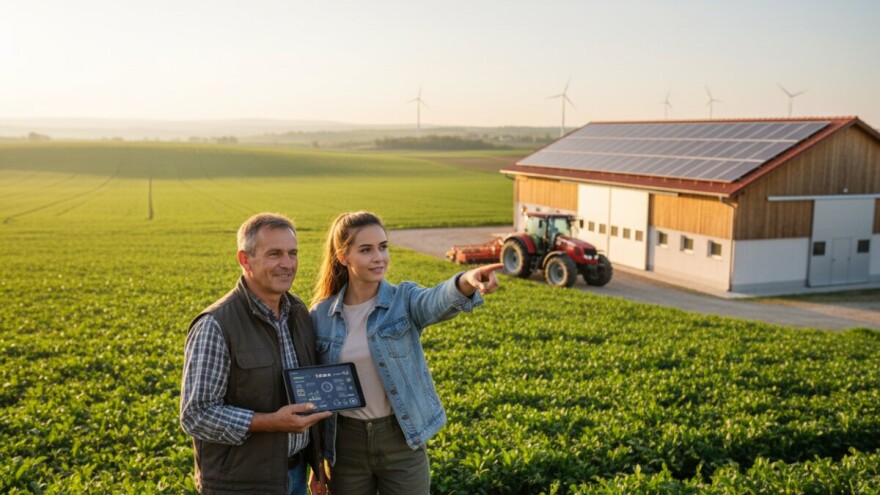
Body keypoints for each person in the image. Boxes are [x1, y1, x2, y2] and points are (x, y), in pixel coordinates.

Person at [310, 211, 503, 495]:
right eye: (366, 250)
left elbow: (436, 300)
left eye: (383, 247)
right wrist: (317, 464)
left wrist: (466, 280)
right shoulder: (320, 315)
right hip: (344, 447)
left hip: (401, 439)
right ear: (343, 257)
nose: (379, 257)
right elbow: (315, 397)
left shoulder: (405, 300)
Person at [180, 212, 332, 495]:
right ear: (244, 259)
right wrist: (271, 422)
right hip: (241, 485)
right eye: (274, 254)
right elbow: (196, 415)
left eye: (292, 253)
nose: (287, 264)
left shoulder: (298, 313)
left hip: (296, 475)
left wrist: (316, 461)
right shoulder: (217, 324)